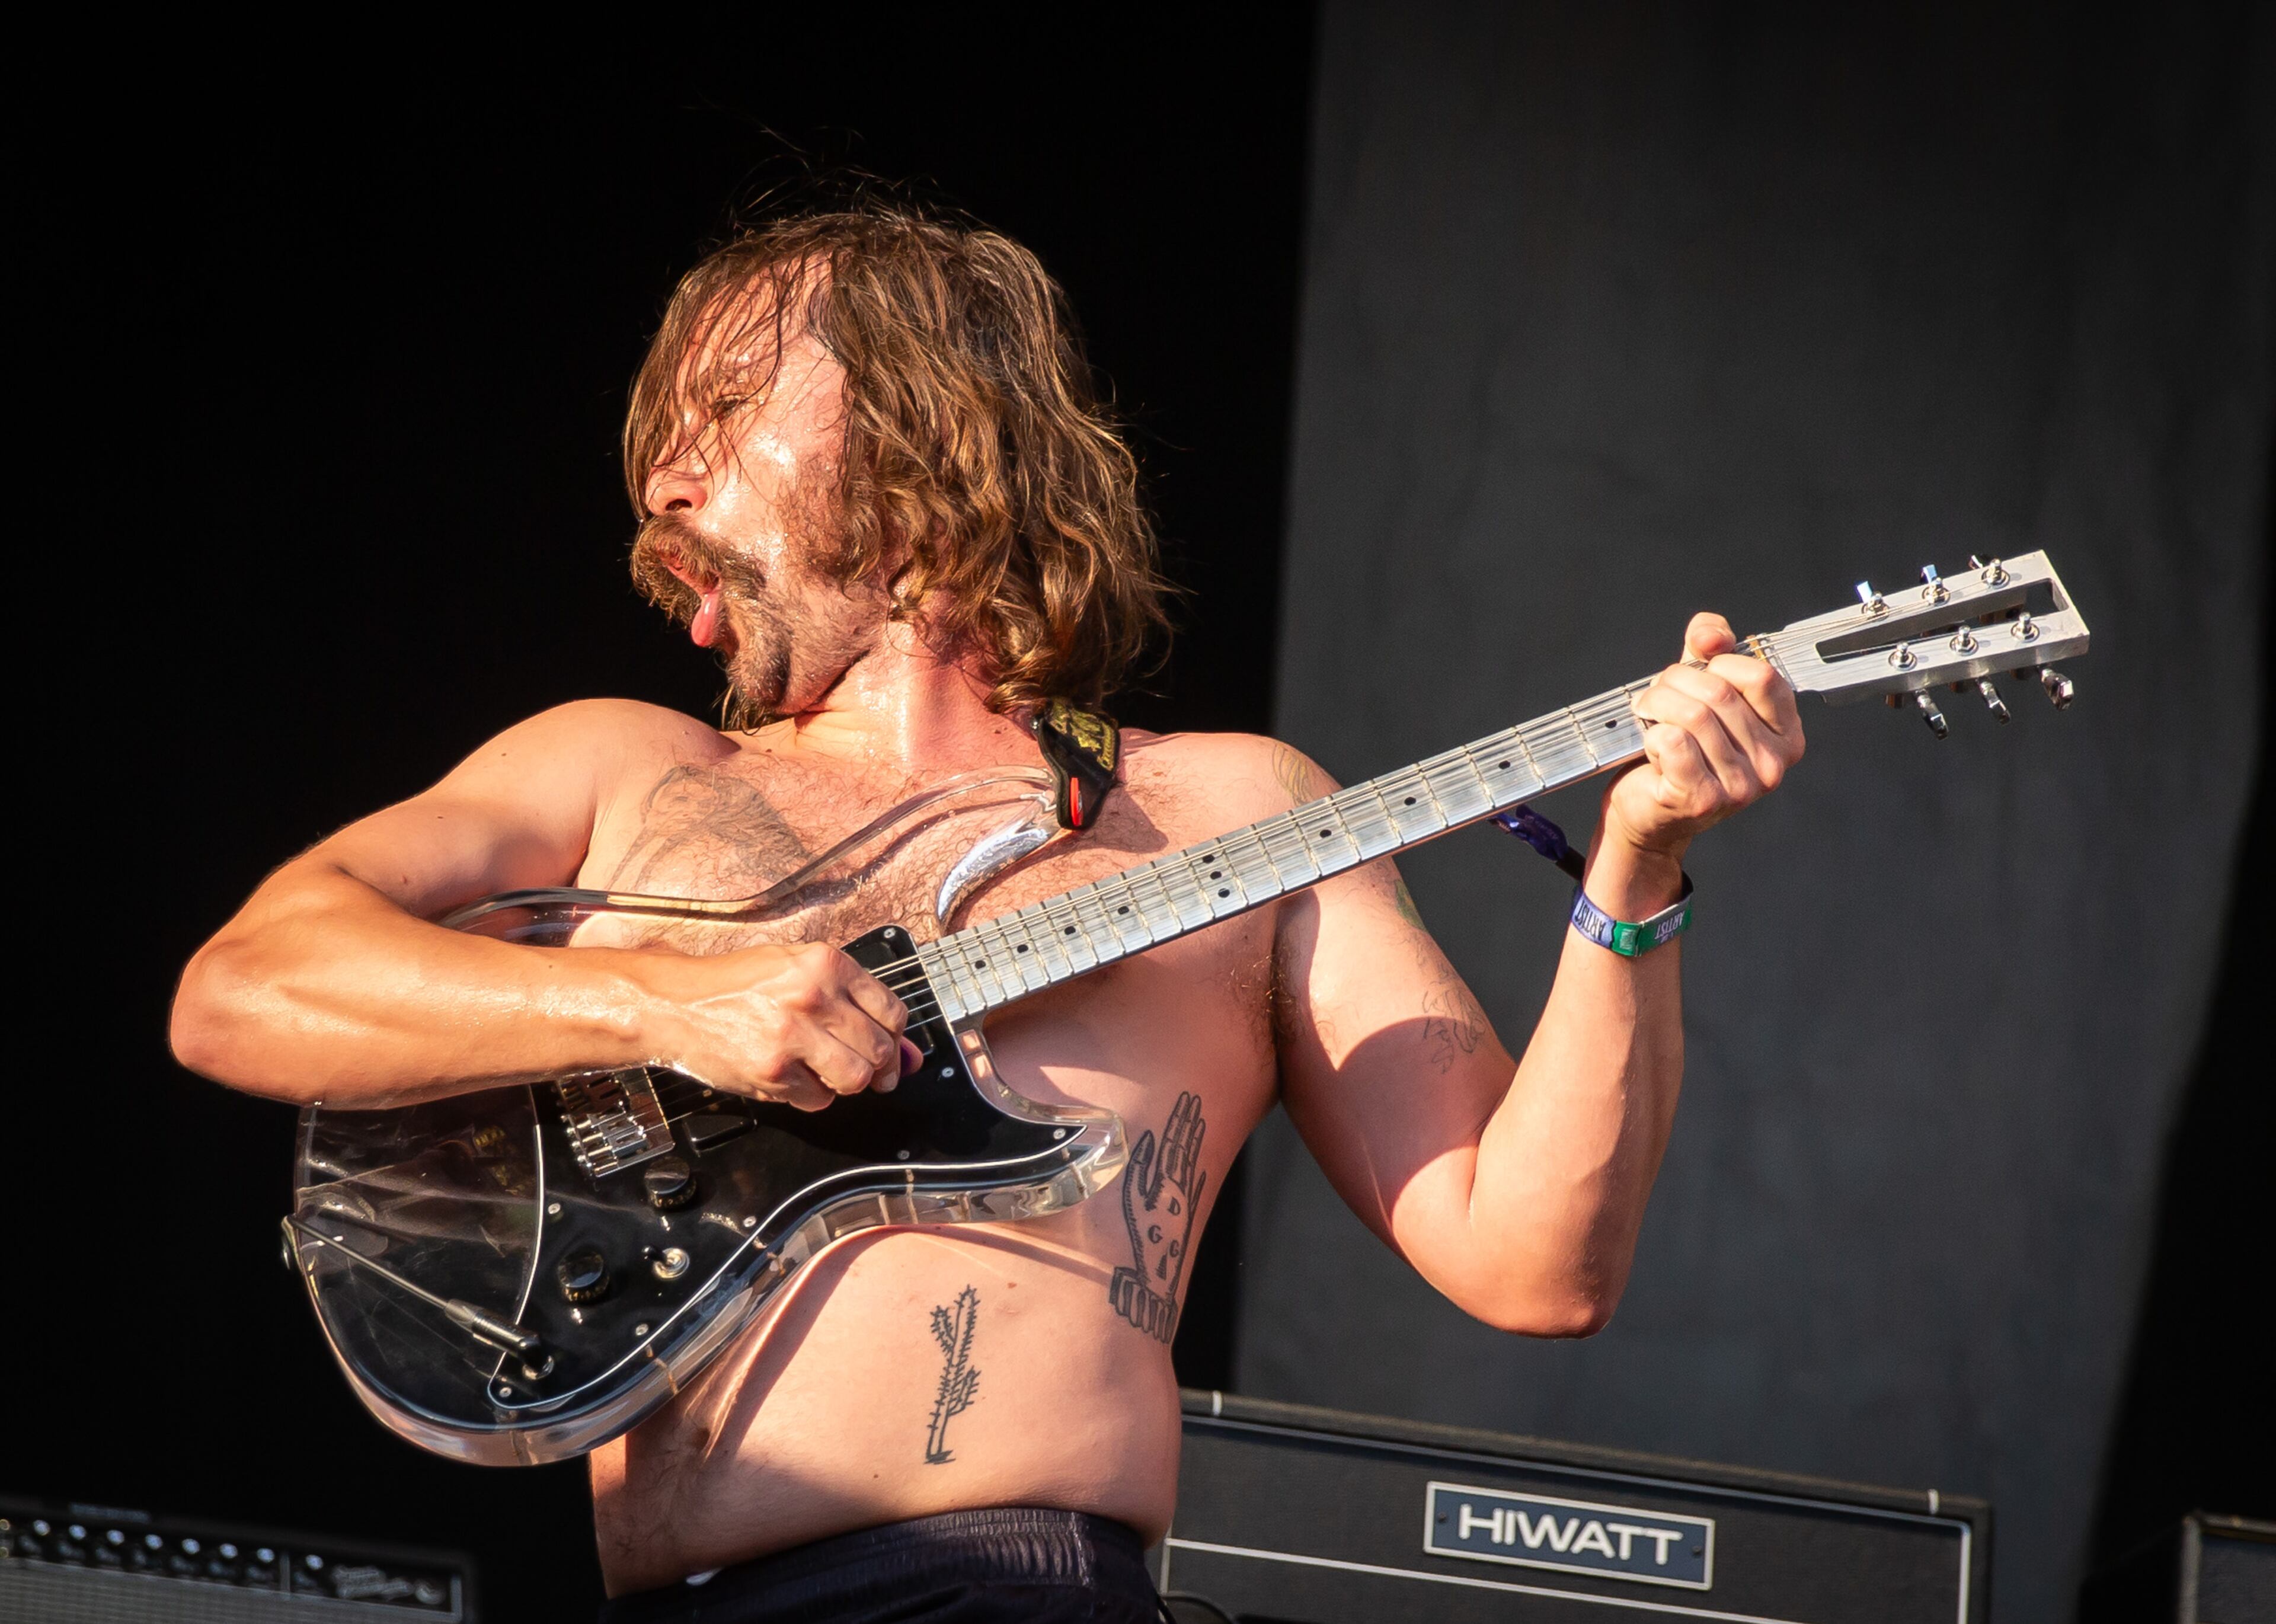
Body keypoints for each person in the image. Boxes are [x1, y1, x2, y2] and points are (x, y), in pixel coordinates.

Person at [171, 204, 1805, 1623]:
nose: (664, 479)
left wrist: (1638, 872)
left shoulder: (1237, 810)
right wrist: (672, 1001)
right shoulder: (621, 769)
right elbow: (243, 985)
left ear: (926, 420)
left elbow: (1533, 1255)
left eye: (726, 409)